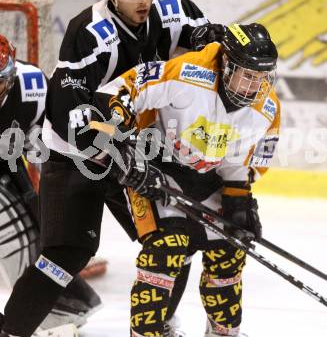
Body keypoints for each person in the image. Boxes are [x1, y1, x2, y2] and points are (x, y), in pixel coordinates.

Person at [0, 0, 224, 336]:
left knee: (174, 243)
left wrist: (213, 39)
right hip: (75, 156)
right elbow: (72, 117)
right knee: (64, 256)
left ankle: (158, 324)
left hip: (137, 148)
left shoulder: (174, 9)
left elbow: (208, 51)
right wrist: (122, 157)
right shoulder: (88, 31)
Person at [90, 23, 280, 336]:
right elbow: (123, 90)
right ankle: (147, 331)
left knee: (230, 248)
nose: (253, 87)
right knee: (167, 247)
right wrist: (120, 142)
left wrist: (239, 200)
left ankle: (223, 331)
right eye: (248, 75)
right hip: (155, 165)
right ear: (227, 64)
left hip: (209, 178)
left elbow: (241, 160)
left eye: (262, 78)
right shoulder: (189, 72)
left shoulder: (266, 108)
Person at [0, 34, 102, 336]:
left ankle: (51, 308)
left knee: (33, 229)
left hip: (7, 165)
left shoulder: (32, 87)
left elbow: (53, 141)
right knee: (11, 230)